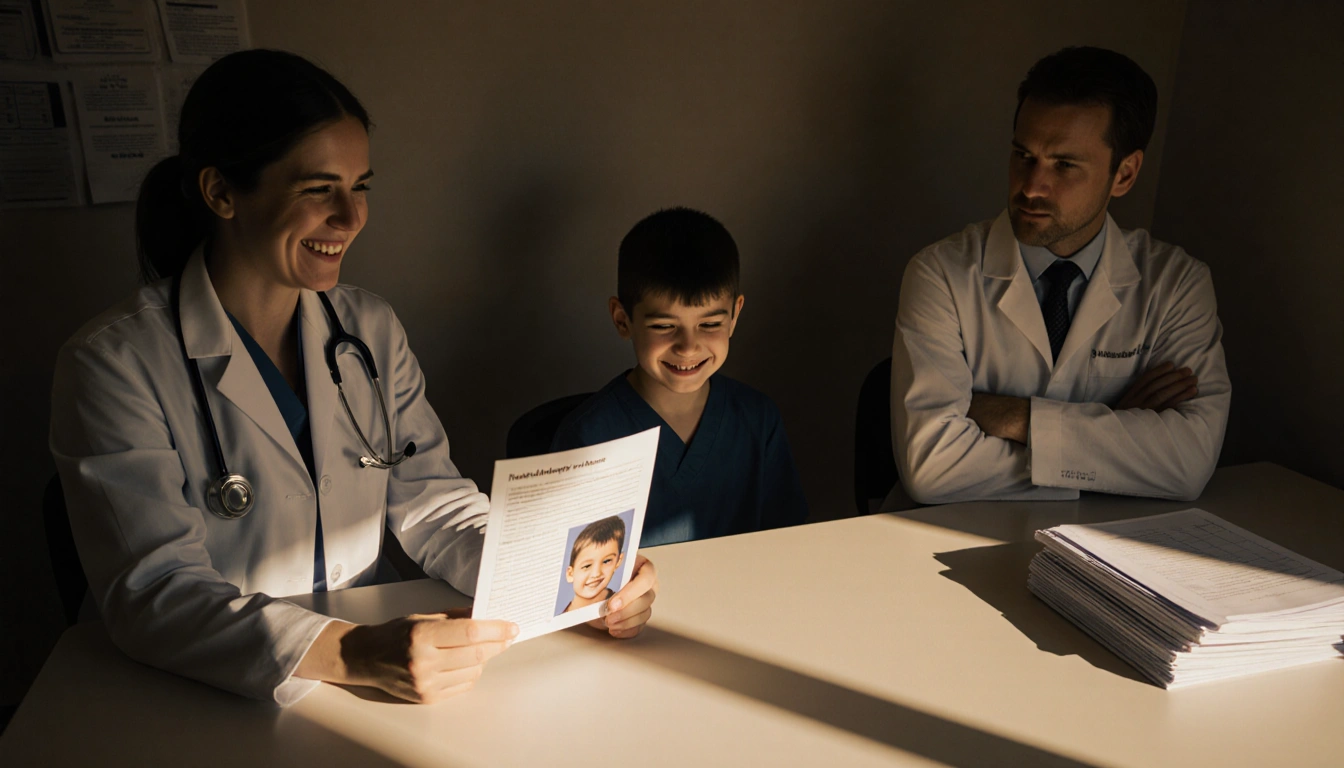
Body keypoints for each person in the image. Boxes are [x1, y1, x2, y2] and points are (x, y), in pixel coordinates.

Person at [48, 49, 657, 707]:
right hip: (191, 692)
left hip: (364, 675)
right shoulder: (113, 363)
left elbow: (430, 498)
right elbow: (154, 593)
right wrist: (347, 651)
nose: (351, 217)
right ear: (221, 192)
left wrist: (571, 582)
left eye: (360, 185)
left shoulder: (367, 329)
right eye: (318, 189)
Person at [890, 46, 1230, 506]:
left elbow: (1188, 462)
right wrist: (1111, 432)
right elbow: (933, 467)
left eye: (1064, 165)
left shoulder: (1177, 285)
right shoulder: (940, 274)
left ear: (1124, 174)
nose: (1031, 187)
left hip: (1105, 545)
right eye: (1023, 155)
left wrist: (1015, 417)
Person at [552, 207, 808, 545]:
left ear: (734, 316)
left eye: (710, 324)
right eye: (664, 327)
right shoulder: (589, 437)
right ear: (622, 320)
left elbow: (789, 543)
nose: (688, 347)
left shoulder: (758, 420)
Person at [561, 516, 626, 614]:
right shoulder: (560, 619)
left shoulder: (622, 604)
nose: (596, 573)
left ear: (618, 561)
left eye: (606, 561)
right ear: (570, 574)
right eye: (587, 566)